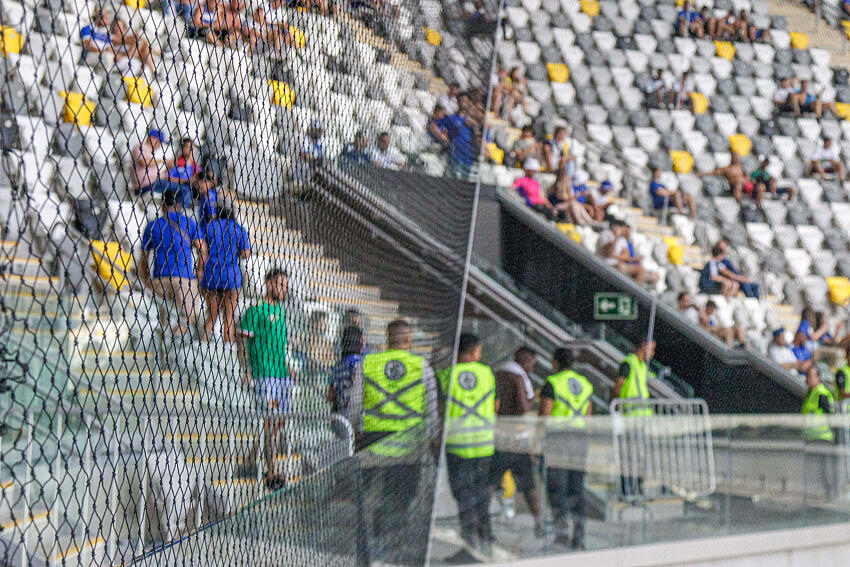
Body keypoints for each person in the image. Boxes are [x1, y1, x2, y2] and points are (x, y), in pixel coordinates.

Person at [348, 320, 439, 564]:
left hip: (373, 444)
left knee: (367, 502)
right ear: (408, 341)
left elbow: (354, 405)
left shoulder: (368, 363)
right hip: (409, 446)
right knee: (399, 501)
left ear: (387, 339)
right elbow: (431, 412)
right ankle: (389, 553)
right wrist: (431, 440)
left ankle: (368, 553)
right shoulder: (422, 367)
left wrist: (357, 433)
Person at [443, 333, 498, 554]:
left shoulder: (446, 374)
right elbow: (495, 406)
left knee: (463, 496)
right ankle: (487, 540)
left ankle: (469, 545)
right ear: (475, 351)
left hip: (457, 445)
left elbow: (440, 411)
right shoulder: (488, 373)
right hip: (484, 445)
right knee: (482, 493)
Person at [238, 268, 291, 489]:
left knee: (280, 421)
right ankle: (272, 472)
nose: (284, 289)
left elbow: (280, 345)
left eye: (286, 285)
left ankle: (249, 460)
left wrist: (288, 366)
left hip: (283, 374)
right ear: (269, 284)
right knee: (269, 422)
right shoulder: (255, 311)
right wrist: (245, 369)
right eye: (280, 284)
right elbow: (241, 341)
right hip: (263, 374)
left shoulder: (281, 312)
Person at [488, 347, 544, 536]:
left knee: (491, 482)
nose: (531, 369)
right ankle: (539, 523)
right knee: (529, 485)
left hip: (499, 435)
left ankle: (482, 524)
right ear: (524, 360)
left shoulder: (497, 373)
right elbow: (522, 407)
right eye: (531, 364)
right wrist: (533, 399)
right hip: (517, 439)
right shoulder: (518, 377)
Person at [539, 347, 592, 549]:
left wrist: (536, 443)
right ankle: (580, 536)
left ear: (555, 362)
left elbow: (544, 416)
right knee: (577, 489)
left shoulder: (552, 384)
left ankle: (561, 534)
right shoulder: (585, 384)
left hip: (557, 440)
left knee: (557, 489)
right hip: (579, 440)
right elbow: (587, 416)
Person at [139, 189, 206, 336]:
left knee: (164, 318)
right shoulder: (189, 223)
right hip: (184, 278)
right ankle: (178, 342)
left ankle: (166, 345)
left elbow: (144, 256)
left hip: (160, 278)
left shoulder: (153, 225)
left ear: (162, 205)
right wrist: (199, 272)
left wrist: (146, 279)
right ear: (179, 205)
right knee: (188, 317)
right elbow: (203, 249)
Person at [202, 206, 250, 342]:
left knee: (211, 316)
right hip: (231, 276)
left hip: (212, 274)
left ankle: (203, 346)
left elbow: (203, 248)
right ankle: (228, 350)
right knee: (228, 317)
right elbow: (246, 253)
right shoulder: (239, 229)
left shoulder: (210, 227)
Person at [613, 340, 654, 499]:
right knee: (629, 455)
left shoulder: (642, 366)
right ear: (643, 346)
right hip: (630, 418)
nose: (653, 353)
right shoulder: (628, 363)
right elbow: (618, 386)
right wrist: (616, 407)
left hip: (640, 419)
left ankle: (637, 487)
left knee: (639, 456)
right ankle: (628, 488)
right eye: (652, 349)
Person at [435, 96, 478, 179]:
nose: (465, 104)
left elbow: (477, 137)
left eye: (466, 102)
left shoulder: (471, 121)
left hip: (468, 157)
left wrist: (474, 127)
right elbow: (435, 126)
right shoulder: (452, 118)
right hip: (455, 156)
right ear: (458, 103)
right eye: (462, 101)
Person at [328, 326, 364, 414]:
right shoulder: (364, 363)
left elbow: (331, 396)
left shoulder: (337, 366)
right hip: (359, 414)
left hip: (340, 415)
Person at [801, 368, 835, 443]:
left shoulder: (821, 392)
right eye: (807, 376)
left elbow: (829, 413)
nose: (807, 379)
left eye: (810, 376)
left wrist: (833, 432)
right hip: (811, 437)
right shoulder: (811, 393)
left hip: (821, 437)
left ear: (818, 377)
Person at [132, 130, 169, 195]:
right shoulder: (141, 147)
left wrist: (169, 167)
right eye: (159, 142)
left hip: (154, 182)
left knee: (176, 190)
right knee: (182, 189)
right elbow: (144, 163)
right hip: (146, 185)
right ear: (152, 138)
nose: (160, 145)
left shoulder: (149, 151)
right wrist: (163, 161)